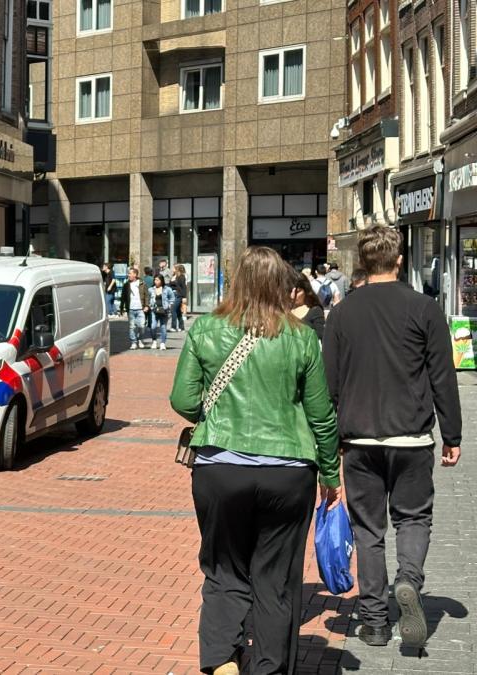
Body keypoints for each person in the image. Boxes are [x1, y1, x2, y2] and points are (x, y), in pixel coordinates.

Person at [170, 246, 339, 675]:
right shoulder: (302, 337)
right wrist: (331, 475)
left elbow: (183, 399)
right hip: (288, 472)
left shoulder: (206, 330)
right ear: (283, 285)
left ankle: (223, 662)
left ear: (236, 281)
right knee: (275, 581)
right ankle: (266, 667)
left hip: (220, 468)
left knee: (224, 570)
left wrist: (214, 413)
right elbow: (321, 415)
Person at [322, 226, 462, 649]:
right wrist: (452, 433)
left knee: (368, 529)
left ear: (362, 264)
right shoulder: (424, 308)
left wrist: (328, 444)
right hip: (412, 438)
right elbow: (442, 376)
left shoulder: (342, 314)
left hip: (359, 439)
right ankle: (408, 581)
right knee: (414, 518)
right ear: (399, 260)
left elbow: (330, 384)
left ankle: (375, 622)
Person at [290, 270, 325, 341]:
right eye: (290, 291)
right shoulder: (284, 308)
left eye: (298, 291)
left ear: (306, 291)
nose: (292, 296)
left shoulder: (315, 310)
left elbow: (320, 336)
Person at [120, 267, 148, 349]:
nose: (128, 275)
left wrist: (146, 306)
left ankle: (140, 340)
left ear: (135, 274)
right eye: (128, 273)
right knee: (132, 327)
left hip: (141, 308)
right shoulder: (126, 285)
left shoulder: (142, 283)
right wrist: (121, 308)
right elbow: (123, 297)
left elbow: (146, 295)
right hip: (131, 309)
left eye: (130, 273)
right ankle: (133, 342)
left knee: (142, 326)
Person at [149, 274, 175, 350]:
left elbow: (172, 298)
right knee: (153, 326)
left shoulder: (167, 289)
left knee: (163, 327)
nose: (156, 281)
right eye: (155, 280)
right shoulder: (151, 289)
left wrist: (169, 305)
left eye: (157, 280)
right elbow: (148, 298)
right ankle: (154, 341)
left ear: (161, 281)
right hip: (154, 310)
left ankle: (163, 343)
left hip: (164, 311)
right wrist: (149, 306)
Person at [170, 264, 188, 332]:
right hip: (174, 294)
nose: (172, 270)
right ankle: (181, 327)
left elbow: (183, 287)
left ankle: (173, 326)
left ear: (177, 269)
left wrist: (184, 297)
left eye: (174, 268)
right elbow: (171, 285)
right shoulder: (175, 276)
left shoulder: (181, 277)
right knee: (178, 312)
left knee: (173, 310)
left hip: (179, 295)